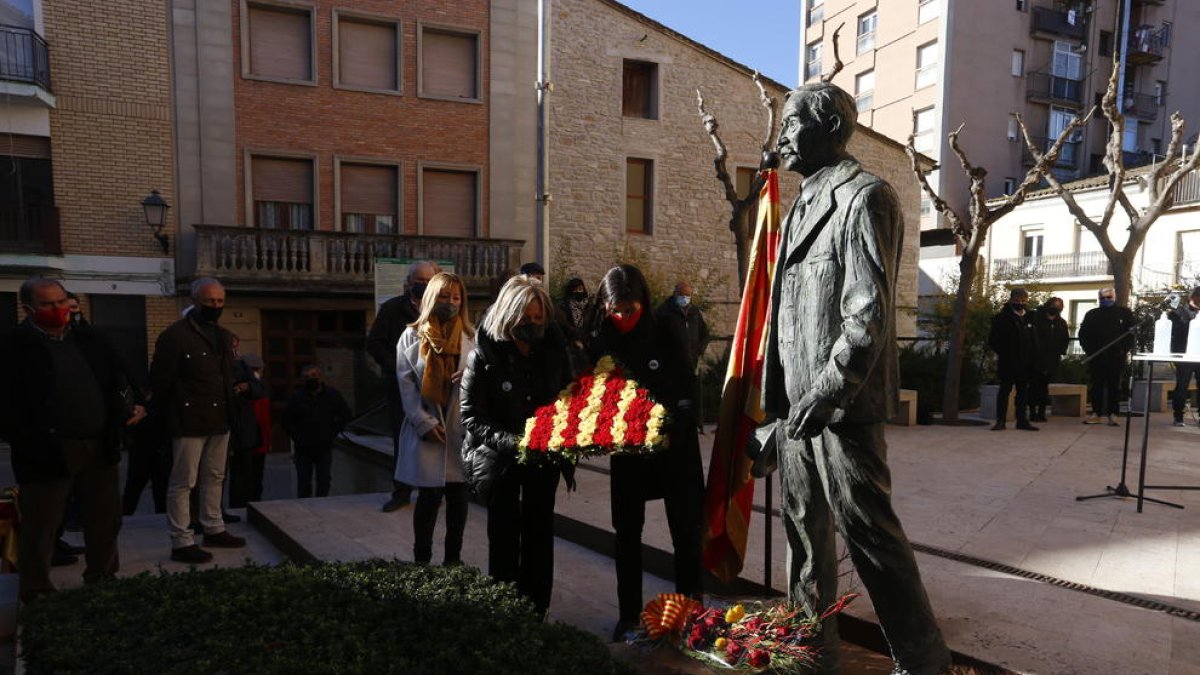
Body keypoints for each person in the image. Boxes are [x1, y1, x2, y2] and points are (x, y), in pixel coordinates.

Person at [760, 83, 950, 674]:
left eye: (792, 123)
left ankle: (922, 662)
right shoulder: (801, 205)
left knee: (870, 537)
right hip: (797, 406)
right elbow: (782, 314)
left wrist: (826, 389)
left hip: (841, 405)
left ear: (829, 128)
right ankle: (810, 651)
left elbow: (866, 314)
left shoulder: (866, 197)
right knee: (802, 533)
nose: (783, 134)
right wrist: (778, 403)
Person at [0, 278, 140, 602]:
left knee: (105, 519)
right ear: (29, 308)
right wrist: (28, 439)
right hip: (47, 450)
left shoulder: (88, 339)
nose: (58, 309)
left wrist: (126, 408)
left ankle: (102, 577)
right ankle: (36, 588)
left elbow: (115, 377)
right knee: (42, 523)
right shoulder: (13, 346)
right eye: (48, 304)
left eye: (62, 301)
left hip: (98, 444)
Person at [587, 265, 704, 642]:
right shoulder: (600, 339)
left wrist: (678, 414)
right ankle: (628, 614)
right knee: (627, 532)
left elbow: (687, 380)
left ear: (644, 303)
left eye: (630, 309)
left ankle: (692, 608)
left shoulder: (665, 329)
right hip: (630, 448)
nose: (623, 318)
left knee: (685, 532)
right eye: (615, 310)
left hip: (674, 447)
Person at [460, 275, 574, 618]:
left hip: (544, 458)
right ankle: (505, 609)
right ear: (509, 315)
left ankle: (537, 608)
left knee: (540, 535)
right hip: (501, 461)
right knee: (505, 535)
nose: (534, 325)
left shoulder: (554, 349)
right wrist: (515, 444)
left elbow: (570, 394)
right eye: (527, 318)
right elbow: (471, 417)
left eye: (539, 318)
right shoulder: (484, 354)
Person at [150, 277, 246, 564]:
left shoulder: (225, 336)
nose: (215, 306)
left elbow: (228, 377)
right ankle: (181, 540)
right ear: (194, 301)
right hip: (188, 420)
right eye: (209, 301)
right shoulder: (175, 335)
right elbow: (160, 381)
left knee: (215, 476)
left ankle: (213, 526)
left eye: (219, 301)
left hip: (220, 419)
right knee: (183, 482)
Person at [395, 273, 476, 565]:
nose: (450, 303)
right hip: (429, 428)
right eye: (443, 297)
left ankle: (453, 560)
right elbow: (406, 386)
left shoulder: (471, 337)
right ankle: (422, 561)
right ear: (431, 298)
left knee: (458, 497)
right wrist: (423, 423)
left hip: (458, 430)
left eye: (456, 298)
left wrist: (470, 376)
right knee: (428, 499)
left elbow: (483, 380)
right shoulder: (410, 336)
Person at [367, 260, 440, 512]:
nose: (422, 285)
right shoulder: (391, 309)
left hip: (434, 388)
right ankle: (401, 492)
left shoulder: (442, 309)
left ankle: (433, 490)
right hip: (400, 387)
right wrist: (398, 367)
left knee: (435, 437)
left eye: (427, 281)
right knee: (403, 439)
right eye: (418, 280)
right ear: (408, 283)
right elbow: (374, 343)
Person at [283, 365, 352, 498]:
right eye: (307, 377)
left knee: (324, 480)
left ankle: (322, 508)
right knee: (303, 483)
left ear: (320, 377)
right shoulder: (296, 398)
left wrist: (333, 432)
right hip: (303, 448)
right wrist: (297, 436)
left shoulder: (332, 395)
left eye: (314, 376)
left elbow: (345, 415)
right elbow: (286, 421)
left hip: (324, 446)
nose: (311, 379)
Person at [654, 280, 710, 431]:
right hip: (670, 365)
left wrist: (699, 349)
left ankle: (693, 423)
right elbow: (655, 336)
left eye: (688, 295)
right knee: (673, 398)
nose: (685, 298)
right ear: (675, 294)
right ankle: (671, 424)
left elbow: (704, 333)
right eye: (682, 295)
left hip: (690, 363)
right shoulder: (663, 312)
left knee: (690, 397)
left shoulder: (694, 312)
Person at [1079, 287, 1136, 426]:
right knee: (1097, 385)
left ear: (1114, 297)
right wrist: (1090, 351)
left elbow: (1131, 334)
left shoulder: (1124, 313)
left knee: (1114, 386)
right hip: (1097, 356)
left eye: (1108, 297)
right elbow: (1083, 334)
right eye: (1102, 298)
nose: (1106, 300)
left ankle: (1113, 414)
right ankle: (1096, 413)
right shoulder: (1092, 314)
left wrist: (1123, 349)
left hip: (1116, 357)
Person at [987, 288, 1039, 431]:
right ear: (1011, 300)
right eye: (1017, 300)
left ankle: (1022, 421)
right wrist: (1006, 353)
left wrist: (1034, 357)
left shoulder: (1031, 317)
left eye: (1023, 300)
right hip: (1008, 362)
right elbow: (993, 340)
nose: (1020, 303)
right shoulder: (1001, 318)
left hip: (1026, 362)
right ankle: (1000, 421)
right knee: (1005, 391)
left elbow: (1035, 339)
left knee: (1023, 393)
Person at [227, 345, 267, 508]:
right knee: (236, 477)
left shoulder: (255, 386)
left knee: (251, 478)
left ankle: (251, 504)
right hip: (236, 435)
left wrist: (249, 387)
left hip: (251, 438)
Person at [1029, 296, 1070, 422]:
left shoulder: (1061, 323)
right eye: (1054, 306)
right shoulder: (1036, 318)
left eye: (1058, 307)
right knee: (1033, 386)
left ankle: (1041, 412)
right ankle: (1032, 412)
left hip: (1051, 359)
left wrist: (1060, 351)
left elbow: (1064, 339)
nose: (1055, 309)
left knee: (1044, 387)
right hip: (1035, 358)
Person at [1169, 287, 1200, 426]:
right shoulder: (1179, 312)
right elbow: (1175, 333)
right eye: (1197, 297)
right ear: (1191, 298)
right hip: (1184, 355)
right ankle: (1178, 417)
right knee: (1182, 386)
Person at [556, 277, 591, 374]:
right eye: (575, 290)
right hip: (570, 343)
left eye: (580, 289)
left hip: (587, 343)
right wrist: (576, 336)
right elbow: (564, 324)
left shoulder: (589, 305)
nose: (578, 292)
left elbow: (591, 323)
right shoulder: (563, 305)